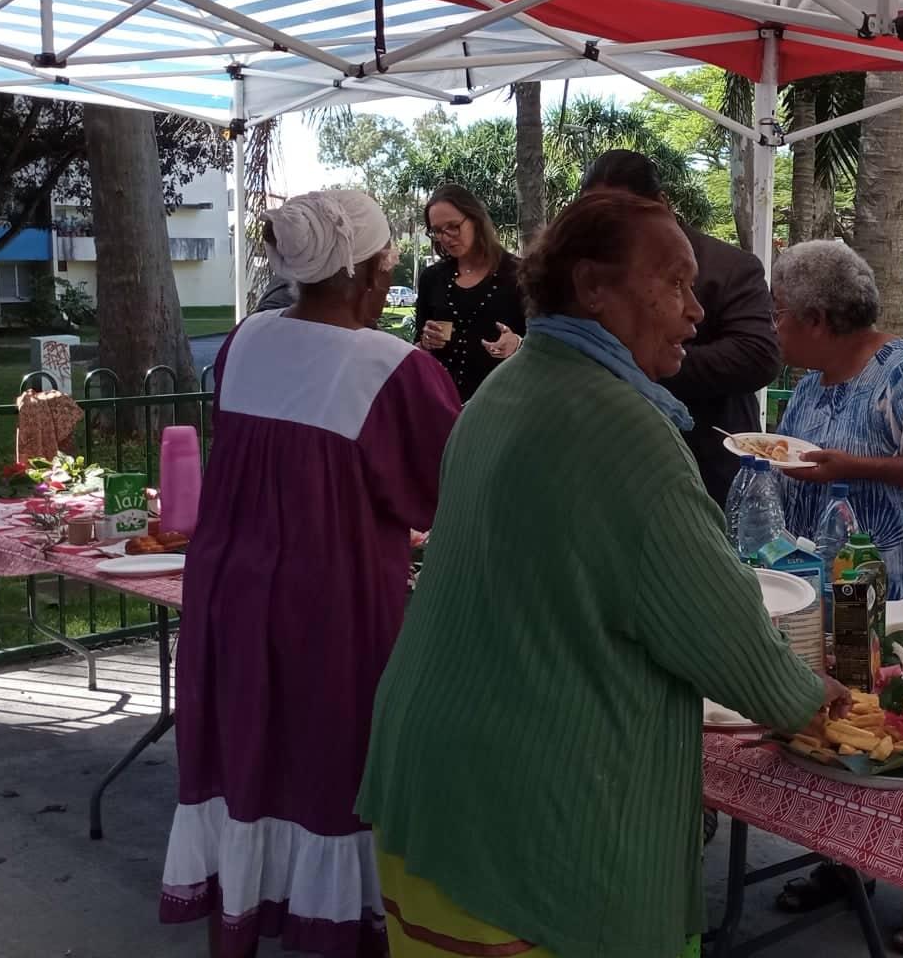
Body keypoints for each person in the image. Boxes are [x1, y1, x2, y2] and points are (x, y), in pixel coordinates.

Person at [355, 191, 837, 958]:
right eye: (674, 283)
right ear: (592, 287)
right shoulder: (625, 429)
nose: (695, 311)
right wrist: (828, 702)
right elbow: (738, 651)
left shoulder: (504, 390)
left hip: (430, 779)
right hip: (535, 817)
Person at [160, 190, 460, 957]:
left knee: (248, 753)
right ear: (365, 275)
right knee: (332, 762)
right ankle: (332, 924)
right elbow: (441, 489)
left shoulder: (246, 339)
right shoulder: (393, 369)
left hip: (229, 590)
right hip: (330, 602)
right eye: (389, 265)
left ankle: (250, 908)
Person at [767, 240, 903, 957]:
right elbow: (802, 460)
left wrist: (844, 466)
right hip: (848, 591)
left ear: (819, 318)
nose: (772, 325)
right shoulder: (811, 383)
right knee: (855, 723)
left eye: (779, 313)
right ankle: (846, 862)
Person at [580, 148, 779, 506]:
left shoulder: (728, 267)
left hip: (708, 462)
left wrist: (639, 363)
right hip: (617, 460)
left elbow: (758, 355)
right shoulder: (591, 274)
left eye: (623, 212)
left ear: (661, 205)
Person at [414, 184, 524, 402]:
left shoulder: (521, 274)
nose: (445, 238)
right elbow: (418, 343)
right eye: (437, 231)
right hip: (441, 403)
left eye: (453, 226)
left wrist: (518, 342)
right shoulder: (432, 278)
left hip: (503, 403)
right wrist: (425, 342)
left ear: (475, 219)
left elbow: (544, 343)